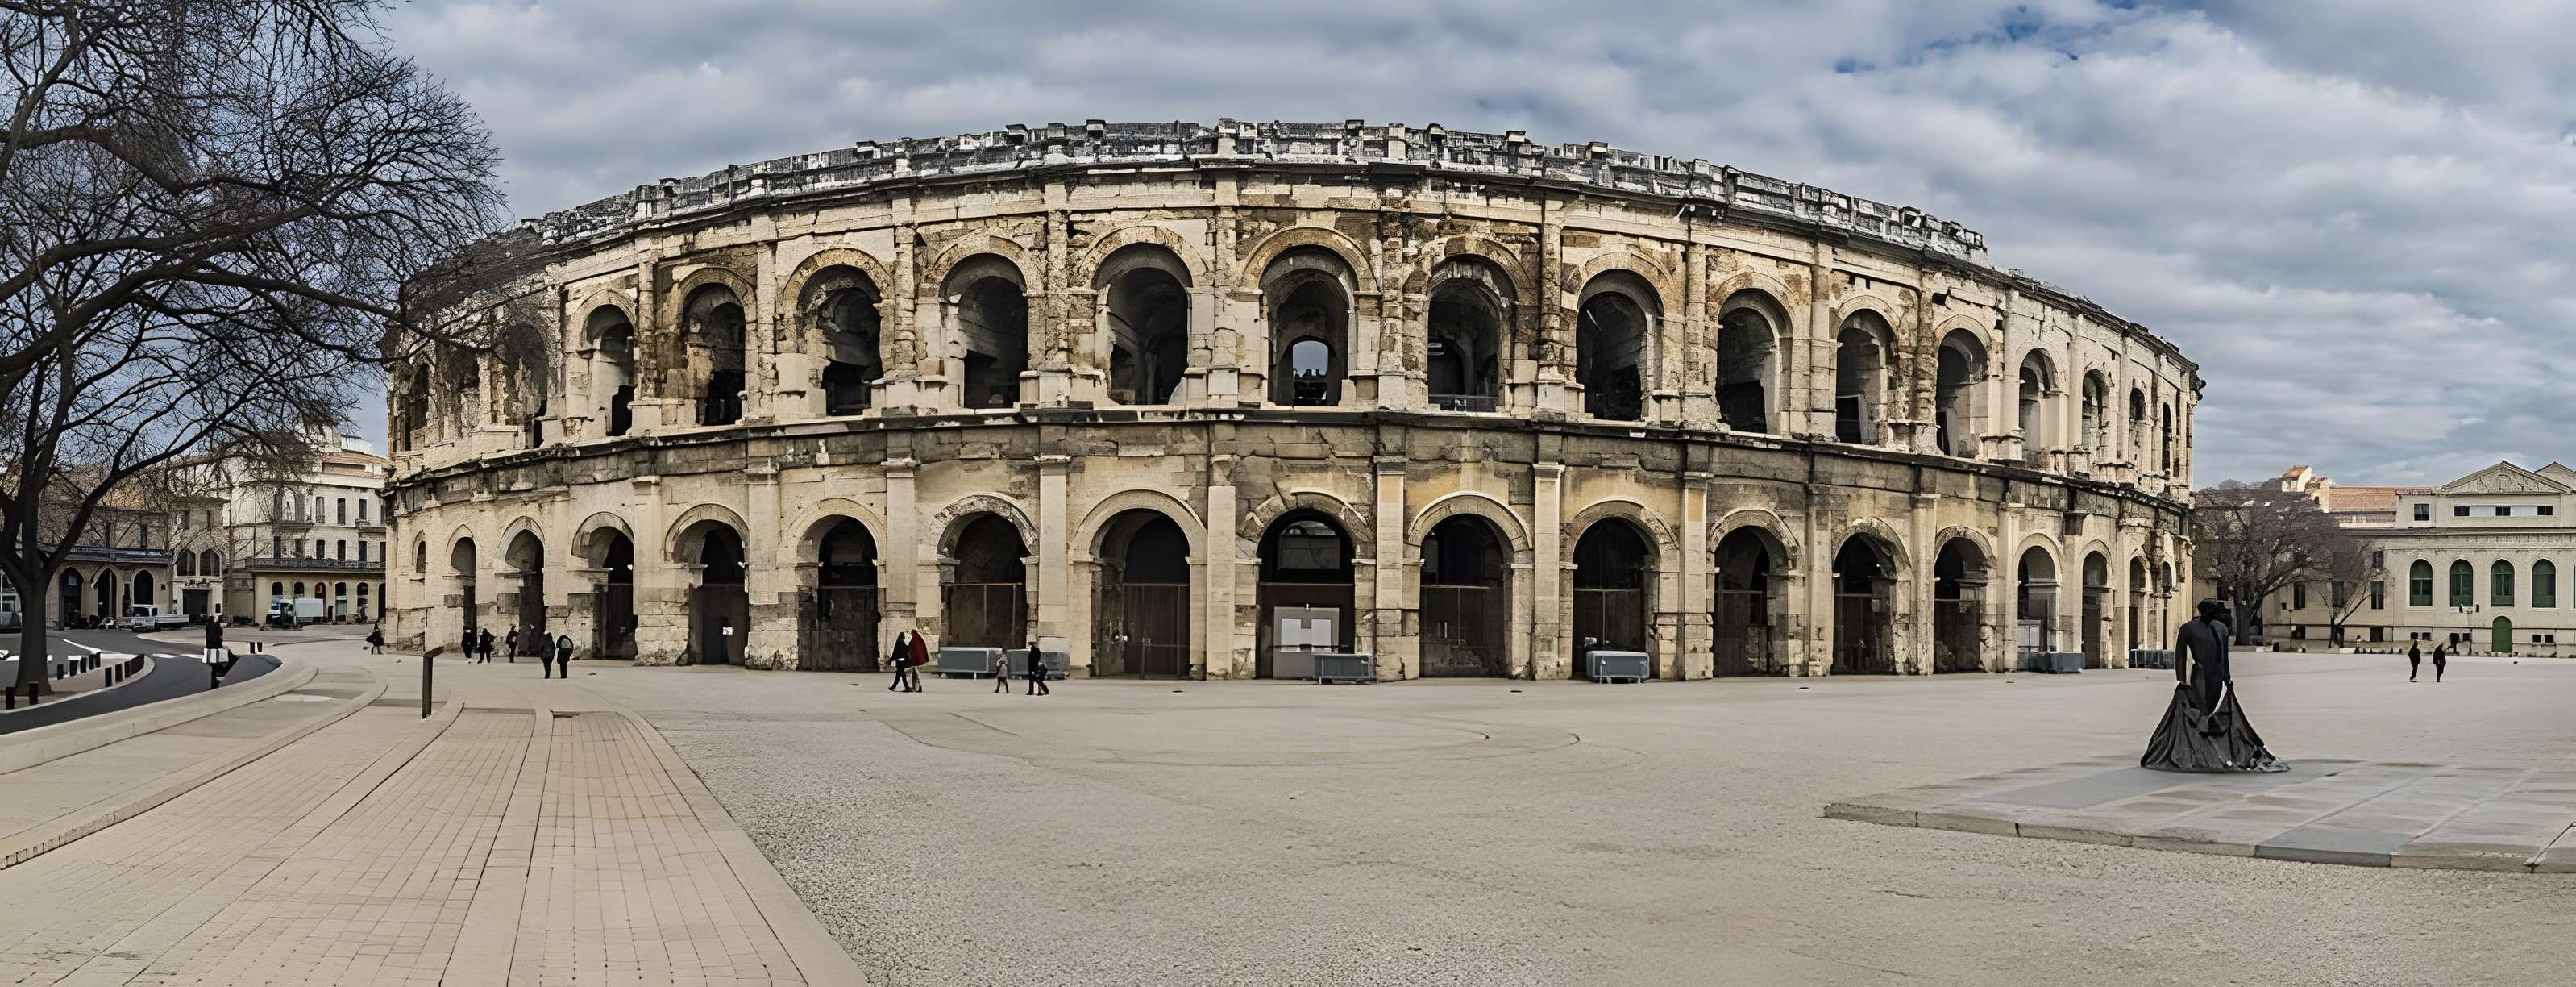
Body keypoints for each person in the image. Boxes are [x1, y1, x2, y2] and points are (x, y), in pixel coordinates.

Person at [2142, 599, 2285, 773]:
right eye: (2214, 610)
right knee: (2200, 712)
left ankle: (2207, 749)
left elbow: (2224, 656)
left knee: (2211, 710)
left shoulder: (2221, 628)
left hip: (2216, 675)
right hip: (2200, 675)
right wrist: (2181, 678)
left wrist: (2227, 677)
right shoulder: (2188, 628)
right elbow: (2180, 652)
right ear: (2205, 611)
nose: (2217, 613)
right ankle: (2200, 750)